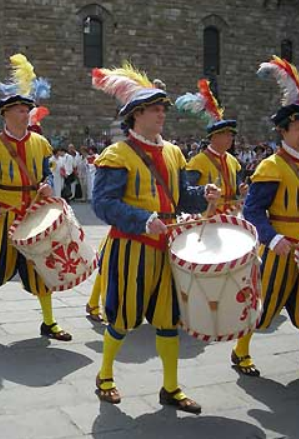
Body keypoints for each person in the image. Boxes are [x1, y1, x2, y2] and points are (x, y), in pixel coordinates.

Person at [91, 63, 220, 413]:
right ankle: (104, 377)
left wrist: (202, 194)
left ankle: (171, 388)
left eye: (163, 108)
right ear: (136, 115)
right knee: (122, 318)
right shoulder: (117, 154)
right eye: (155, 108)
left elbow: (179, 196)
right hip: (131, 247)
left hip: (168, 247)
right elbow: (102, 204)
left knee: (168, 320)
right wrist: (142, 219)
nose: (163, 113)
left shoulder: (174, 152)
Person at [232, 56, 299, 384]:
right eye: (298, 128)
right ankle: (241, 351)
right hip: (280, 249)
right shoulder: (271, 166)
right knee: (265, 306)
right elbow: (252, 211)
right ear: (283, 131)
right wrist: (273, 238)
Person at [0, 53, 71, 342]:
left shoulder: (40, 143)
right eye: (21, 110)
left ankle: (49, 322)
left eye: (28, 109)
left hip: (34, 214)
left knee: (42, 268)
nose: (27, 114)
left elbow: (45, 174)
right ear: (7, 114)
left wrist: (47, 184)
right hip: (4, 215)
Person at [176, 78, 248, 213]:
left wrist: (241, 188)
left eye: (232, 135)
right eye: (227, 134)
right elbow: (188, 194)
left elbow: (236, 185)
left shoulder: (233, 161)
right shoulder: (197, 162)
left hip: (231, 215)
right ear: (214, 137)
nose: (231, 138)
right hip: (207, 220)